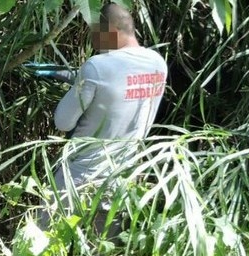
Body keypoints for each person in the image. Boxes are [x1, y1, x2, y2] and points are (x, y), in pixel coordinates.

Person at [46, 2, 167, 217]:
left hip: (79, 174)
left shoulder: (96, 66)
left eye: (96, 34)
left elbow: (63, 122)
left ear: (110, 31)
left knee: (41, 240)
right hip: (122, 175)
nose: (94, 42)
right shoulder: (158, 63)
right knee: (101, 247)